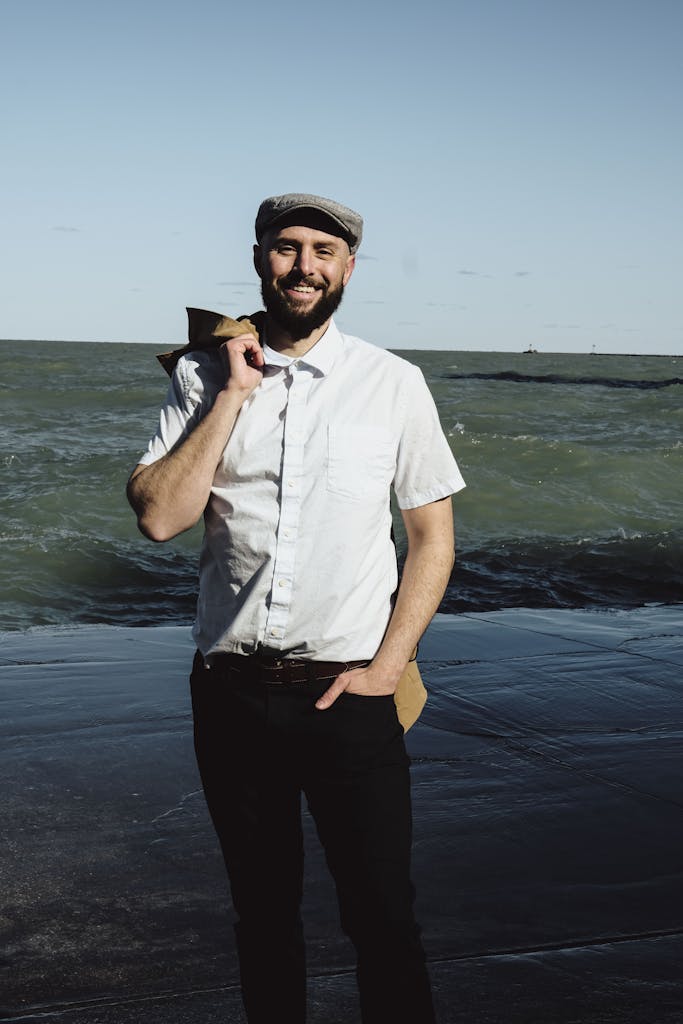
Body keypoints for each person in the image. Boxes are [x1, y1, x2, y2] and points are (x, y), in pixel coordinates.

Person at [127, 193, 465, 1023]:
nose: (303, 266)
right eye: (286, 248)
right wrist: (233, 396)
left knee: (382, 919)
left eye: (323, 250)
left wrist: (385, 670)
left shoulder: (392, 384)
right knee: (264, 920)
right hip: (233, 693)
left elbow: (431, 539)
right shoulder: (202, 376)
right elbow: (160, 518)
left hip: (351, 692)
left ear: (348, 268)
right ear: (258, 260)